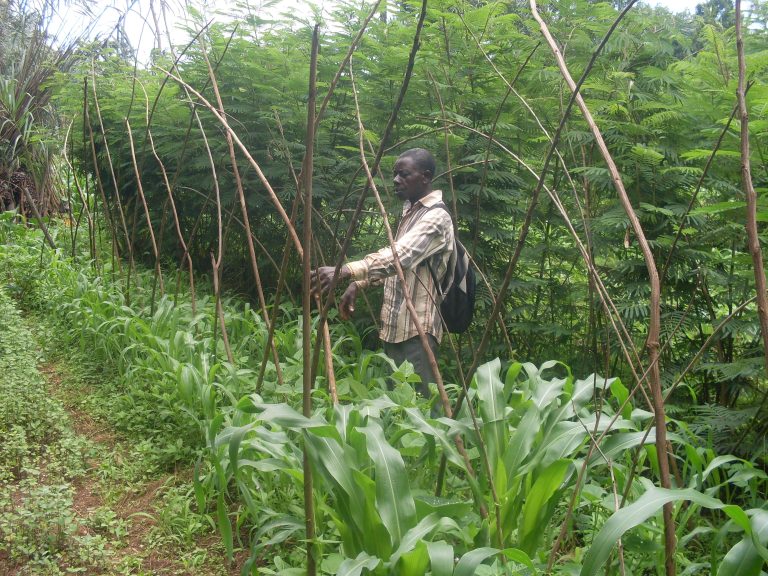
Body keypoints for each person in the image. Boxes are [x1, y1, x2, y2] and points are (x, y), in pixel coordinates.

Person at [311, 148, 454, 398]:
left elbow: (400, 256)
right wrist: (360, 284)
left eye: (404, 174)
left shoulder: (437, 218)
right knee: (397, 401)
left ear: (425, 177)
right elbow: (403, 269)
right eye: (395, 174)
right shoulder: (412, 212)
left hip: (417, 328)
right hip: (395, 325)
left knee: (417, 406)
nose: (396, 180)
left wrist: (347, 270)